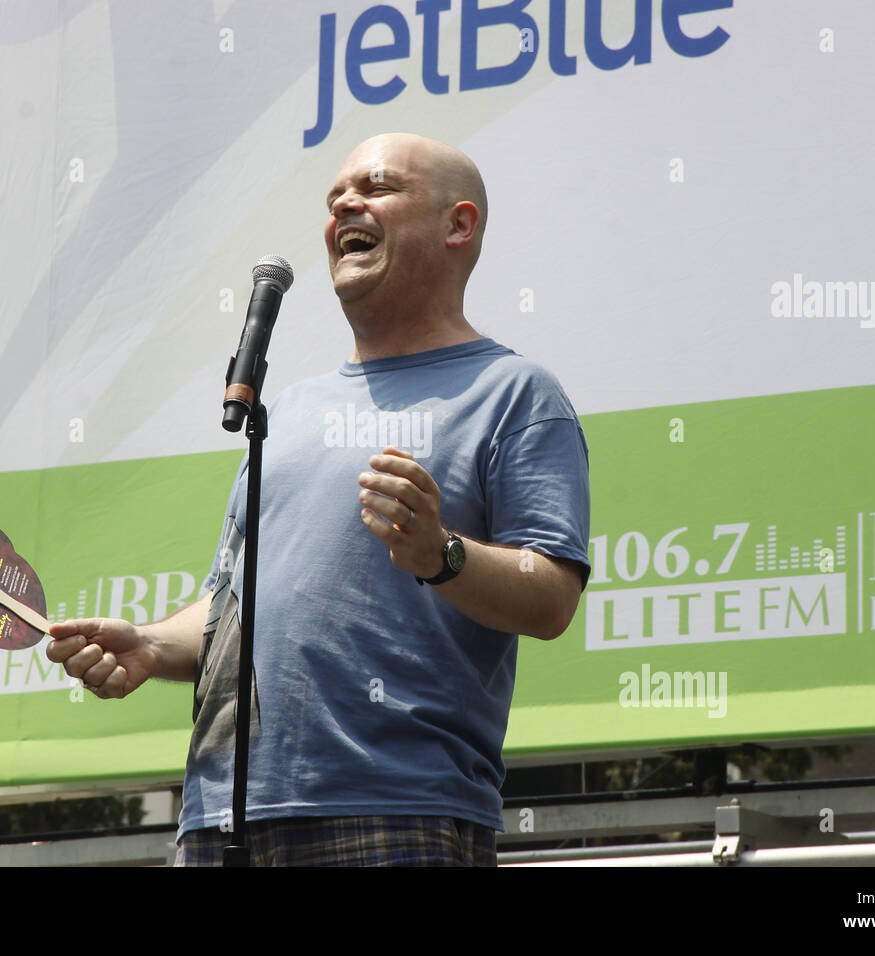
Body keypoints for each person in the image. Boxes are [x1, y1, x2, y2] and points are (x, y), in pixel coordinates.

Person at [46, 133, 591, 866]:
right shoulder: (289, 411)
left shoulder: (515, 394)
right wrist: (149, 644)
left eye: (377, 187)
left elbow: (551, 596)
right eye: (335, 198)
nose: (345, 205)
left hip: (393, 810)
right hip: (218, 818)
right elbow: (231, 603)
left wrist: (442, 554)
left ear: (458, 225)